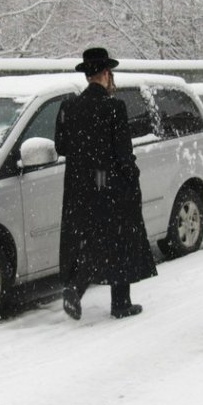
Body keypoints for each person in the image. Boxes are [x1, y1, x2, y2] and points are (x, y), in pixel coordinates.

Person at [55, 47, 158, 320]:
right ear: (105, 73)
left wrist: (85, 156)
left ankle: (75, 289)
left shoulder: (68, 107)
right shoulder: (114, 107)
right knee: (119, 239)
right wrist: (130, 178)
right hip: (109, 184)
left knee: (89, 240)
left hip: (79, 186)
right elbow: (123, 153)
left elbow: (61, 146)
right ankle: (120, 303)